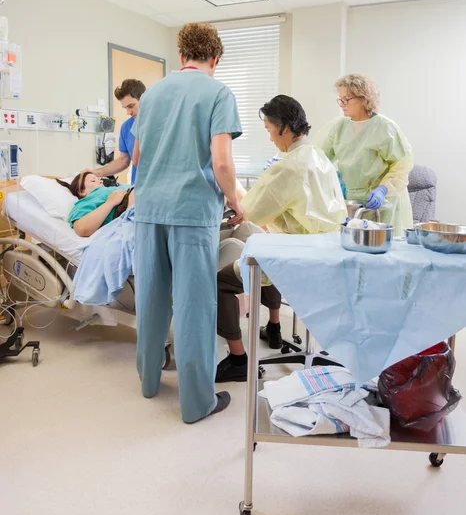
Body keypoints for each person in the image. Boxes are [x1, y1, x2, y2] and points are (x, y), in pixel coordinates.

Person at [132, 22, 244, 424]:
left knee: (150, 297)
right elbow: (221, 162)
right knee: (195, 305)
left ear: (182, 56)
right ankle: (197, 403)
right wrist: (234, 200)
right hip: (192, 212)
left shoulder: (153, 93)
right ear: (215, 59)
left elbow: (138, 157)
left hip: (148, 209)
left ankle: (148, 382)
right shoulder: (218, 93)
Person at [215, 95, 347, 383]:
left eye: (268, 130)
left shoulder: (287, 167)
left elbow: (250, 211)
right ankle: (274, 328)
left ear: (284, 128)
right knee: (265, 249)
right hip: (327, 253)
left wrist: (230, 186)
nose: (270, 138)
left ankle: (238, 360)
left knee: (222, 278)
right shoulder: (319, 157)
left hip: (298, 257)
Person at [313, 74, 413, 235]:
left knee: (381, 249)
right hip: (352, 203)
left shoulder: (384, 127)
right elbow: (318, 157)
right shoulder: (339, 126)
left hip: (383, 203)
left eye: (347, 99)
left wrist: (383, 190)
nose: (342, 104)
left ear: (364, 98)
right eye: (340, 99)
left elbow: (402, 165)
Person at [84, 79, 146, 184]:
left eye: (131, 106)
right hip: (137, 188)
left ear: (144, 99)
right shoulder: (126, 127)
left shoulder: (160, 124)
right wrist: (96, 173)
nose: (128, 112)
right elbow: (124, 160)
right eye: (125, 108)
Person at [57, 172, 133, 237]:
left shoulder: (112, 188)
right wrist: (111, 202)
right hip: (128, 204)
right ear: (81, 192)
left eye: (99, 179)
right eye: (93, 181)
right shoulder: (85, 202)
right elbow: (82, 228)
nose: (101, 182)